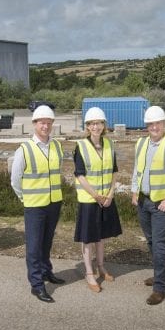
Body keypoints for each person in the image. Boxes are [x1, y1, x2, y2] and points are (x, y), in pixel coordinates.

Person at [131, 106, 165, 305]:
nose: (154, 127)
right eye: (151, 124)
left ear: (164, 124)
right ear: (147, 125)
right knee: (151, 242)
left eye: (158, 123)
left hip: (162, 203)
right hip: (144, 201)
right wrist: (134, 191)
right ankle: (159, 273)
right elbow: (137, 169)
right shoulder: (141, 143)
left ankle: (160, 287)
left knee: (160, 244)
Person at [10, 105, 65, 303]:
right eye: (42, 122)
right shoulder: (24, 149)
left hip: (53, 203)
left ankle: (45, 271)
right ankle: (36, 285)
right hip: (34, 205)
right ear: (34, 123)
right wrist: (25, 198)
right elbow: (15, 180)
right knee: (33, 246)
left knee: (46, 242)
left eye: (49, 122)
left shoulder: (57, 146)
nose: (46, 126)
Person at [73, 107, 122, 293]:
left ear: (104, 125)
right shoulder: (81, 146)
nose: (96, 126)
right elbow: (80, 175)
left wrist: (110, 195)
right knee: (88, 238)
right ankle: (89, 273)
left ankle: (101, 267)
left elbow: (114, 172)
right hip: (89, 200)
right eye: (92, 124)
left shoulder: (109, 145)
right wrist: (96, 196)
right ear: (87, 126)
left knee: (101, 237)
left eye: (99, 123)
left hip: (106, 199)